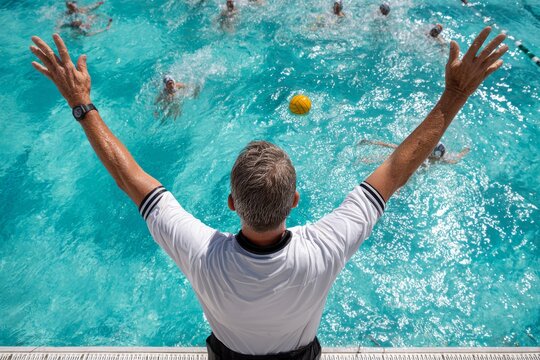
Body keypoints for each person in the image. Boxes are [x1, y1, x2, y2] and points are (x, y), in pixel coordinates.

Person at [29, 27, 507, 359]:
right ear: (295, 203)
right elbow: (397, 169)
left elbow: (130, 176)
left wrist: (81, 104)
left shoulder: (201, 252)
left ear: (232, 203)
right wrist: (455, 95)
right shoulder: (326, 246)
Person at [359, 140, 471, 164]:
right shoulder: (442, 158)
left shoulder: (442, 158)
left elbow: (391, 146)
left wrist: (372, 142)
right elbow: (456, 158)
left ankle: (369, 160)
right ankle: (369, 160)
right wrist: (373, 143)